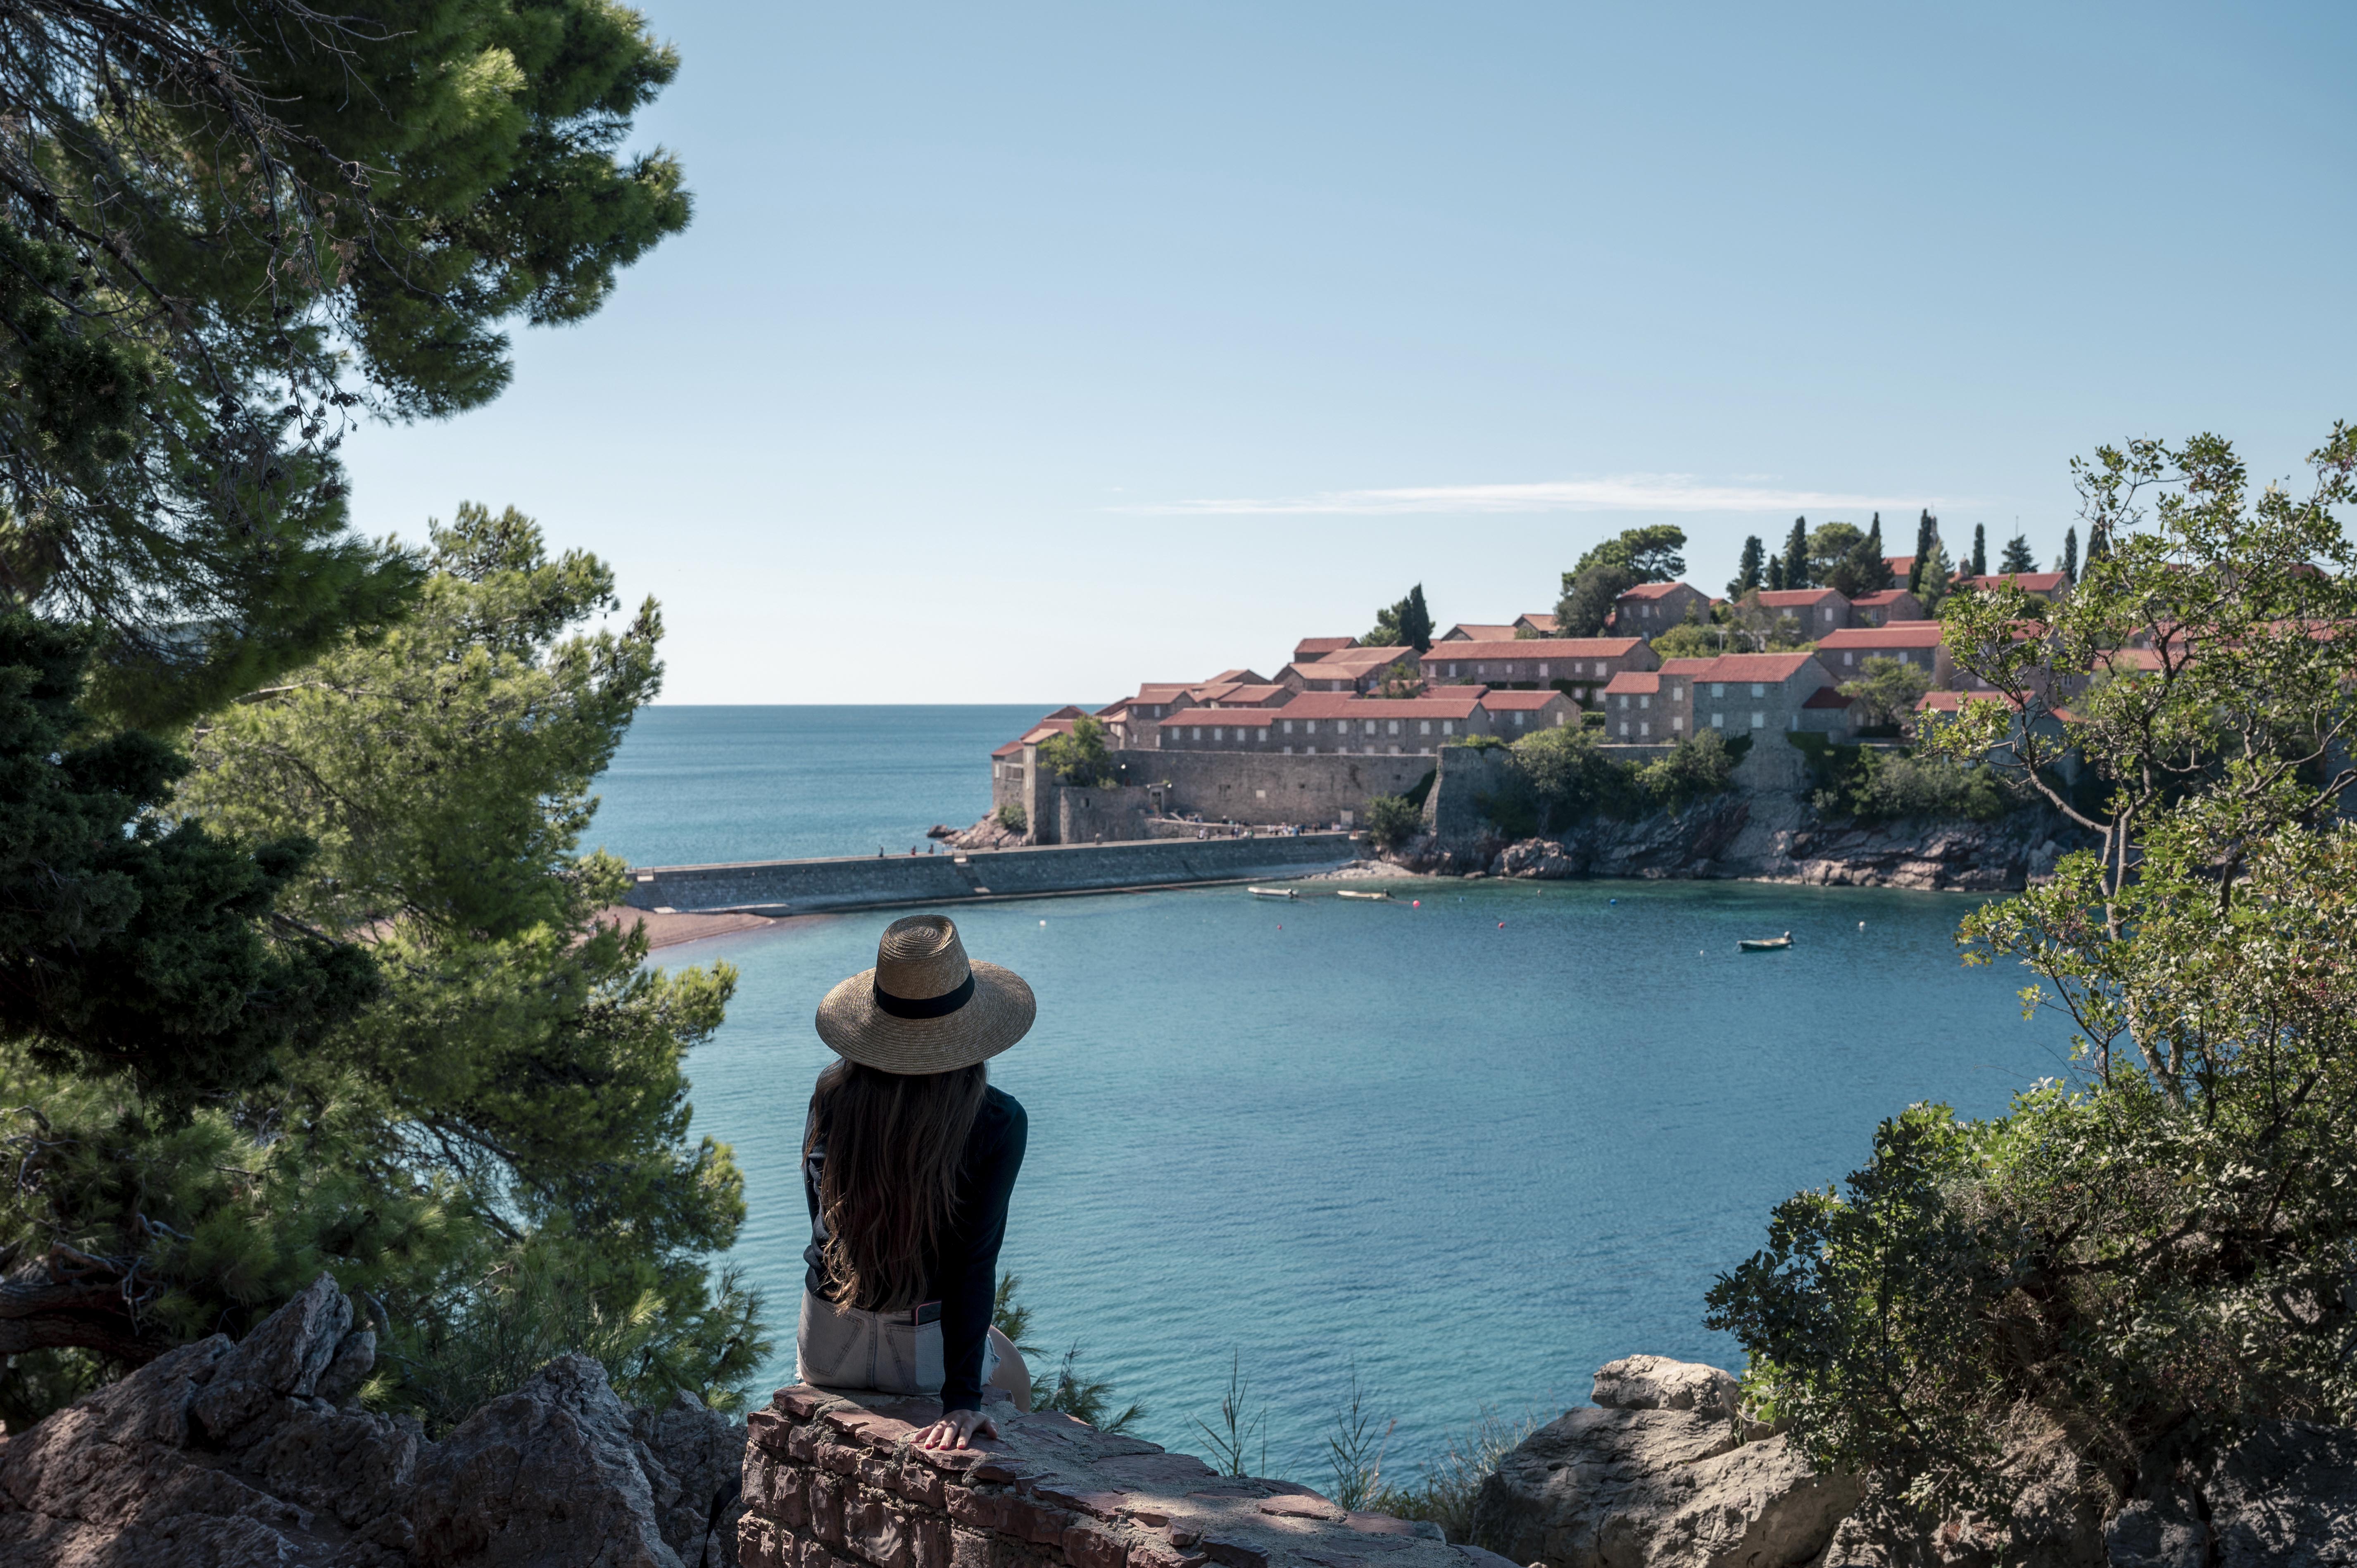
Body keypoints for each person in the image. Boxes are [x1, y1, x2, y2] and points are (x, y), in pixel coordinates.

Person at [799, 915, 1035, 1451]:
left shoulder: (833, 1095)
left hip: (827, 1342)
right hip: (923, 1352)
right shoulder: (998, 1121)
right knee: (1015, 1373)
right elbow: (971, 1266)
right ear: (971, 1028)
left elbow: (822, 1222)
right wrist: (960, 1405)